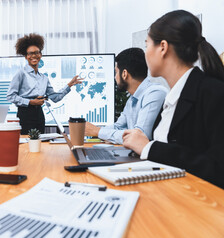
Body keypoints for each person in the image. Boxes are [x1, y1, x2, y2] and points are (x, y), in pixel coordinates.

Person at [122, 10, 224, 189]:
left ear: (162, 47)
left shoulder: (212, 93)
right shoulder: (173, 97)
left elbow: (217, 168)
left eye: (147, 45)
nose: (146, 53)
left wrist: (149, 147)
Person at [85, 48, 167, 144]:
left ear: (124, 74)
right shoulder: (132, 99)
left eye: (116, 72)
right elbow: (118, 126)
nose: (115, 77)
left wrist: (98, 132)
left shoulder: (155, 93)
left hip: (151, 158)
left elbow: (140, 136)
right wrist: (92, 131)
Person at [7, 33, 82, 134]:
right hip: (25, 115)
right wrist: (30, 102)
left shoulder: (44, 78)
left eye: (36, 52)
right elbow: (10, 96)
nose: (34, 56)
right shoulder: (21, 74)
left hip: (39, 115)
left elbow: (55, 98)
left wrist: (69, 85)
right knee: (27, 145)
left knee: (40, 144)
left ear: (40, 55)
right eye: (30, 53)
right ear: (26, 56)